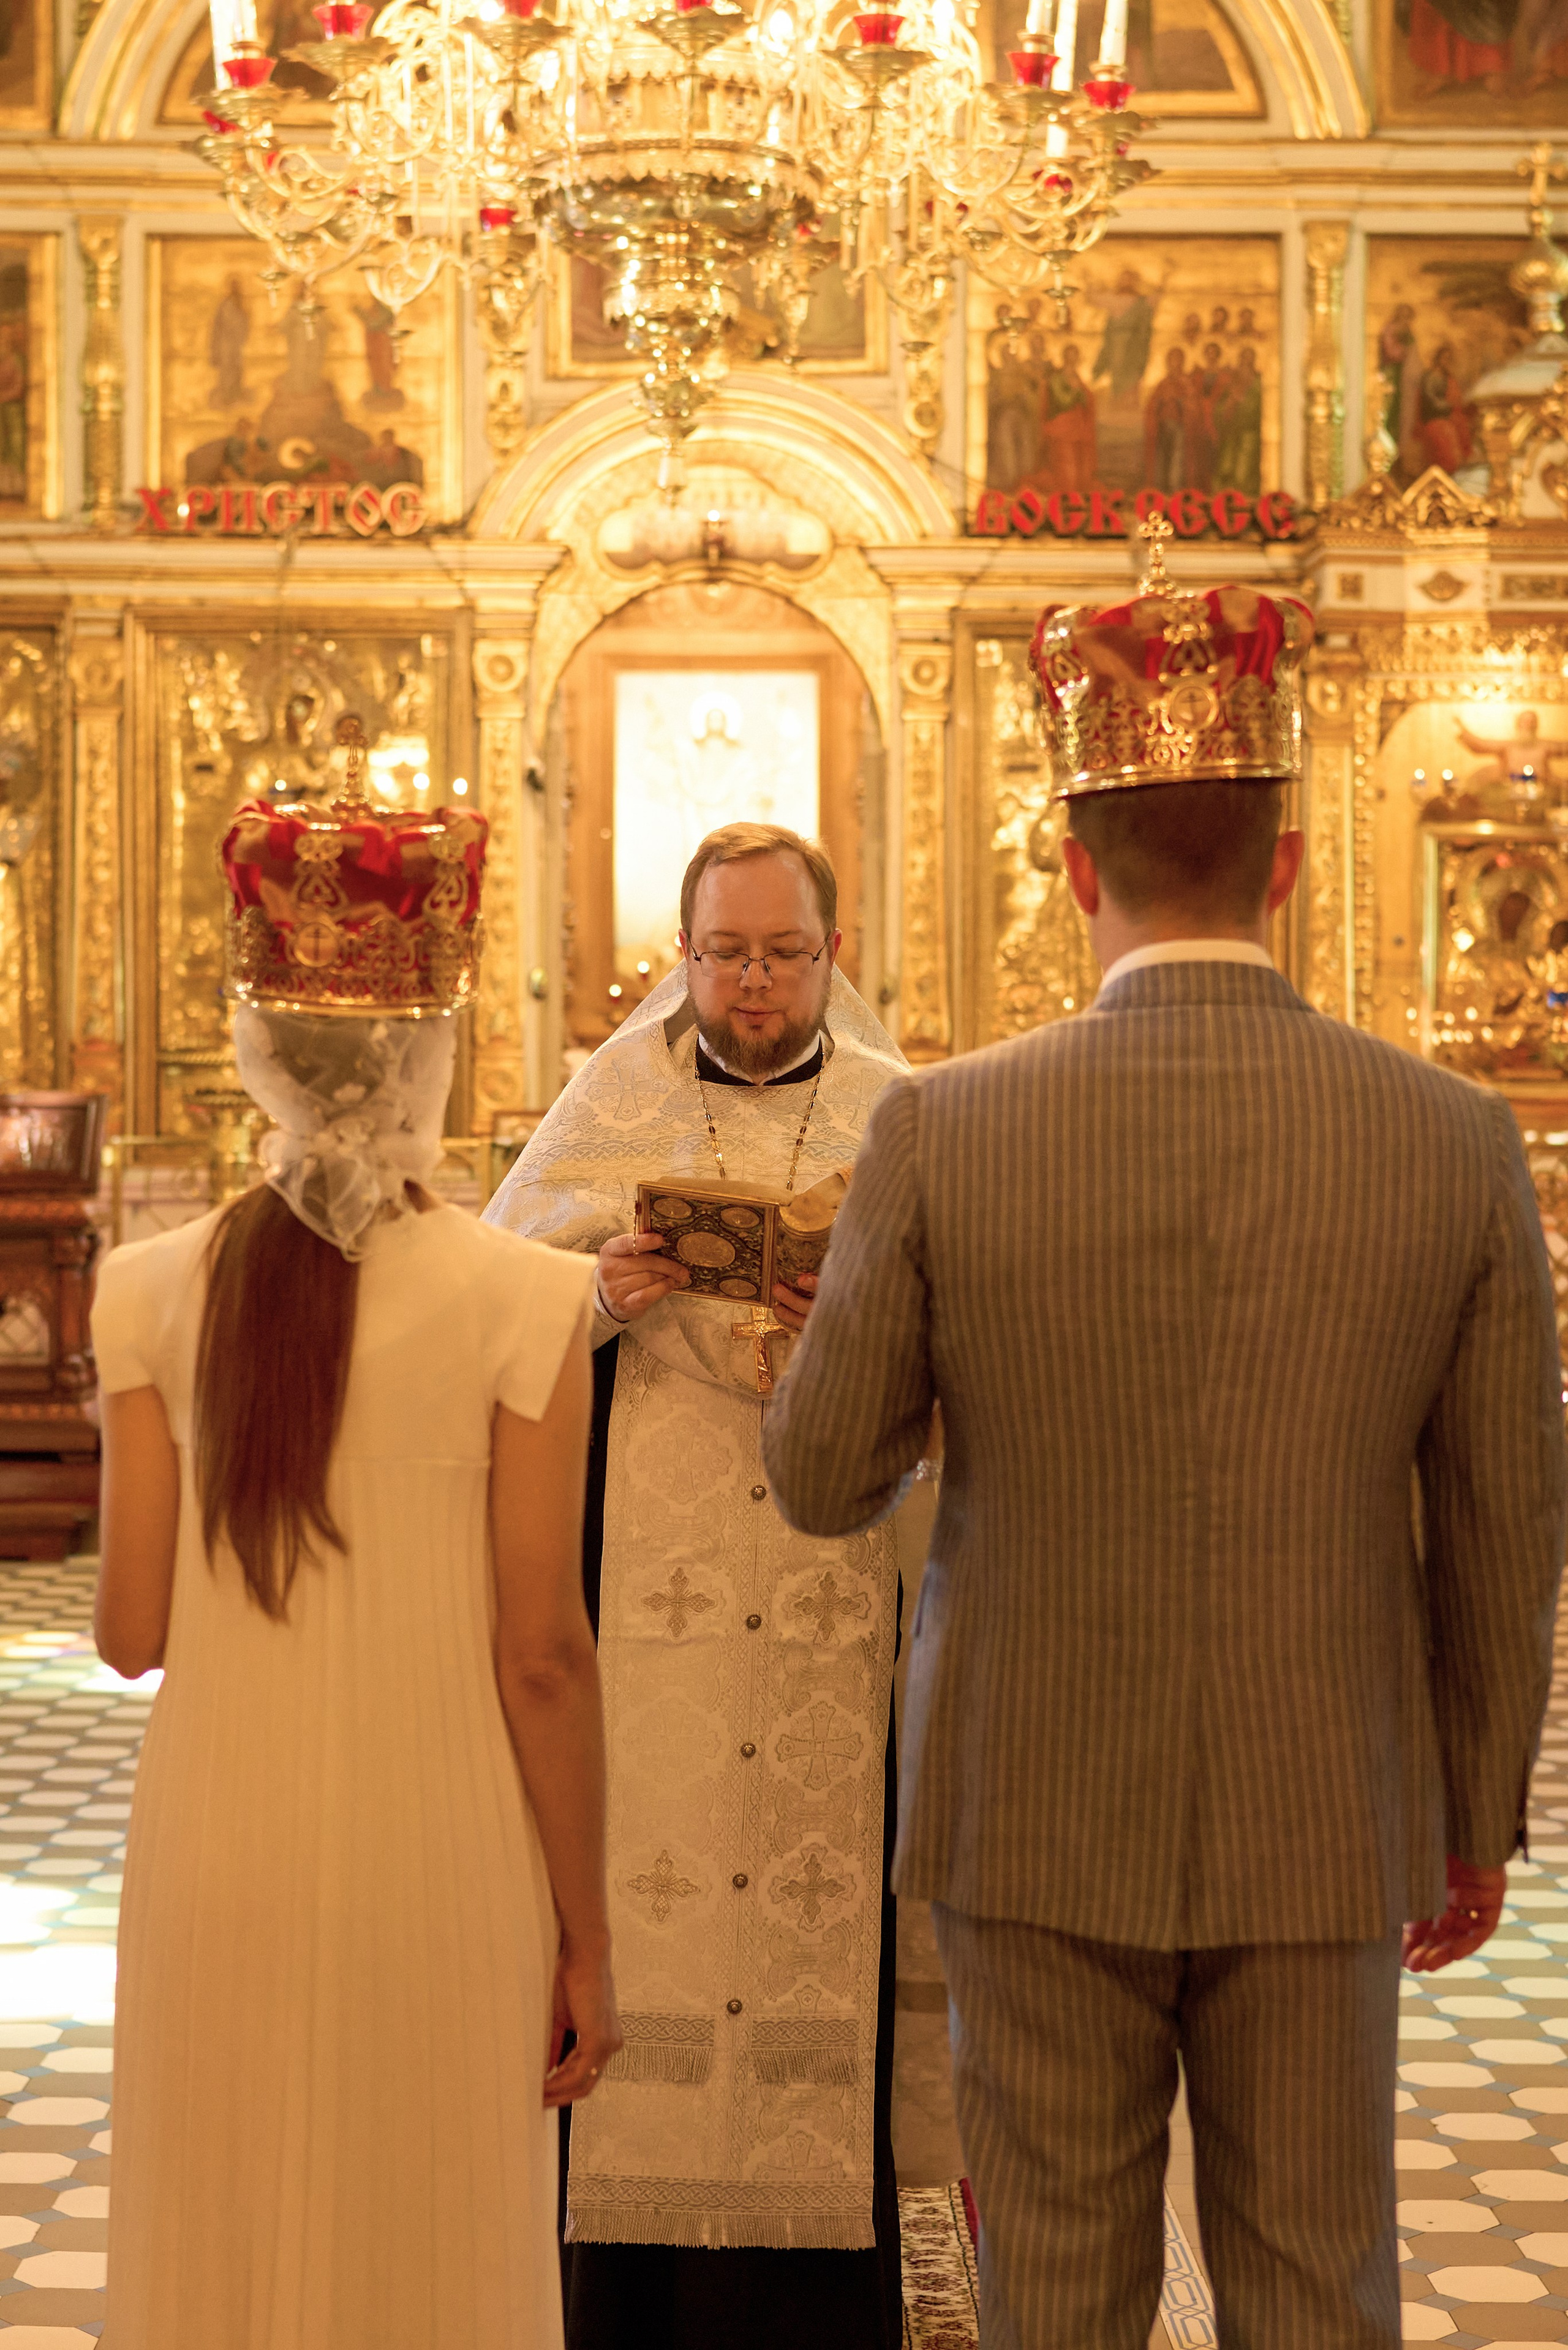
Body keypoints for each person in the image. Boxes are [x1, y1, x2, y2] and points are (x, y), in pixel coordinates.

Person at [764, 533, 1567, 2349]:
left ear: (1071, 864)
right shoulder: (1449, 1138)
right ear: (1287, 859)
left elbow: (823, 1478)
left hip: (1028, 1794)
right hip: (1334, 1793)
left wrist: (838, 1337)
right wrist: (1479, 1806)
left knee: (1051, 2281)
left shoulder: (946, 1132)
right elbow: (1511, 1512)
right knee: (1314, 2277)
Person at [94, 743, 620, 2350]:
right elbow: (540, 1651)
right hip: (448, 1851)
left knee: (230, 2231)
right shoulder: (531, 1299)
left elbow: (129, 1629)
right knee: (436, 2245)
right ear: (433, 1053)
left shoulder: (148, 1287)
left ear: (255, 1049)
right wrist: (590, 1933)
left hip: (222, 1845)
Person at [486, 821, 911, 2350]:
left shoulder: (897, 1110)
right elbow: (498, 1285)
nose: (750, 982)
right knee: (644, 1927)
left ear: (831, 953)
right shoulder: (614, 1094)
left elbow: (967, 1341)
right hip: (645, 1595)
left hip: (831, 1584)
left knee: (816, 1912)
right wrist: (591, 1287)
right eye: (724, 952)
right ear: (684, 953)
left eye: (781, 952)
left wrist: (850, 1305)